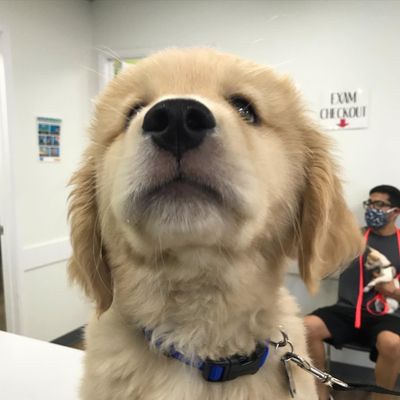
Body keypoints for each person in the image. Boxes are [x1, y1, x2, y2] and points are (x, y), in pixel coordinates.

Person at [304, 185, 400, 400]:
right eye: (370, 203)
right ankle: (320, 393)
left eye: (380, 204)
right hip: (347, 310)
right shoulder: (353, 237)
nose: (372, 208)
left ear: (395, 211)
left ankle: (381, 398)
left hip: (387, 316)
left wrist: (392, 292)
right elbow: (323, 258)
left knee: (392, 343)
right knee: (306, 327)